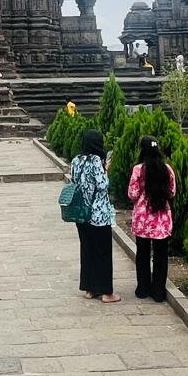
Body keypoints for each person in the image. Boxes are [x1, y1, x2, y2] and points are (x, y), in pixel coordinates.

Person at [70, 129, 120, 303]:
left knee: (87, 250)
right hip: (98, 214)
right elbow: (102, 185)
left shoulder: (76, 160)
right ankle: (107, 292)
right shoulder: (96, 161)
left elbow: (74, 181)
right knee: (103, 252)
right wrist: (107, 169)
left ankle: (90, 289)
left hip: (81, 213)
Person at [127, 136, 177, 302]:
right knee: (161, 255)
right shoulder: (167, 169)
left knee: (142, 253)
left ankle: (143, 288)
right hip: (162, 218)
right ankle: (158, 291)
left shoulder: (138, 170)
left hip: (143, 219)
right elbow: (172, 192)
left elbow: (132, 194)